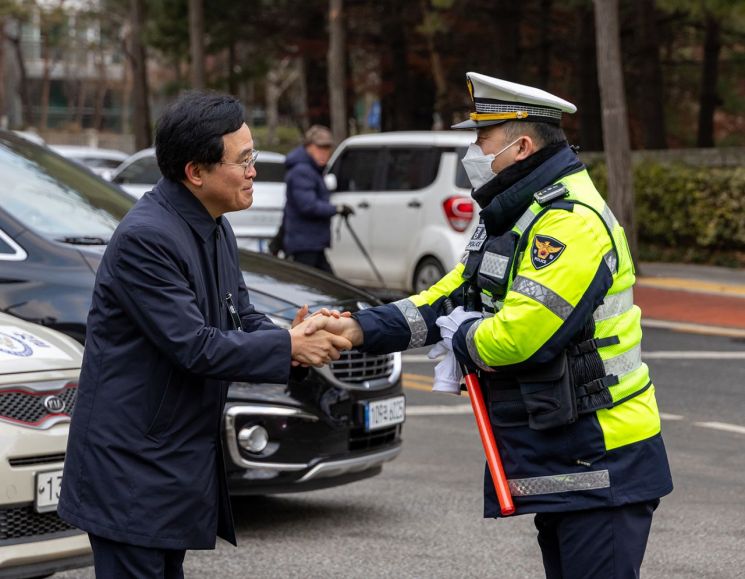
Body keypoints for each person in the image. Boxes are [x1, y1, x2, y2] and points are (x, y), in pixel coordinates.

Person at [305, 72, 674, 578]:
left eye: (482, 138)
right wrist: (359, 329)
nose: (473, 150)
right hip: (567, 454)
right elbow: (449, 297)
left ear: (520, 146)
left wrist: (461, 335)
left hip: (603, 457)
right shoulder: (512, 214)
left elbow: (516, 339)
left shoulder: (570, 222)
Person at [57, 92, 352, 578]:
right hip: (131, 469)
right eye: (244, 160)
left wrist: (293, 336)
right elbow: (194, 345)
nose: (254, 170)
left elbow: (240, 315)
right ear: (196, 172)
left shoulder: (213, 225)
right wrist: (288, 347)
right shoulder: (146, 239)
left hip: (169, 461)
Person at [280, 124, 354, 273]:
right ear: (308, 147)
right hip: (304, 244)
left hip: (311, 242)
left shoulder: (312, 170)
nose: (324, 153)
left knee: (326, 286)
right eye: (320, 148)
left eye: (327, 148)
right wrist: (336, 209)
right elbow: (308, 205)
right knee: (313, 288)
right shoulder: (302, 171)